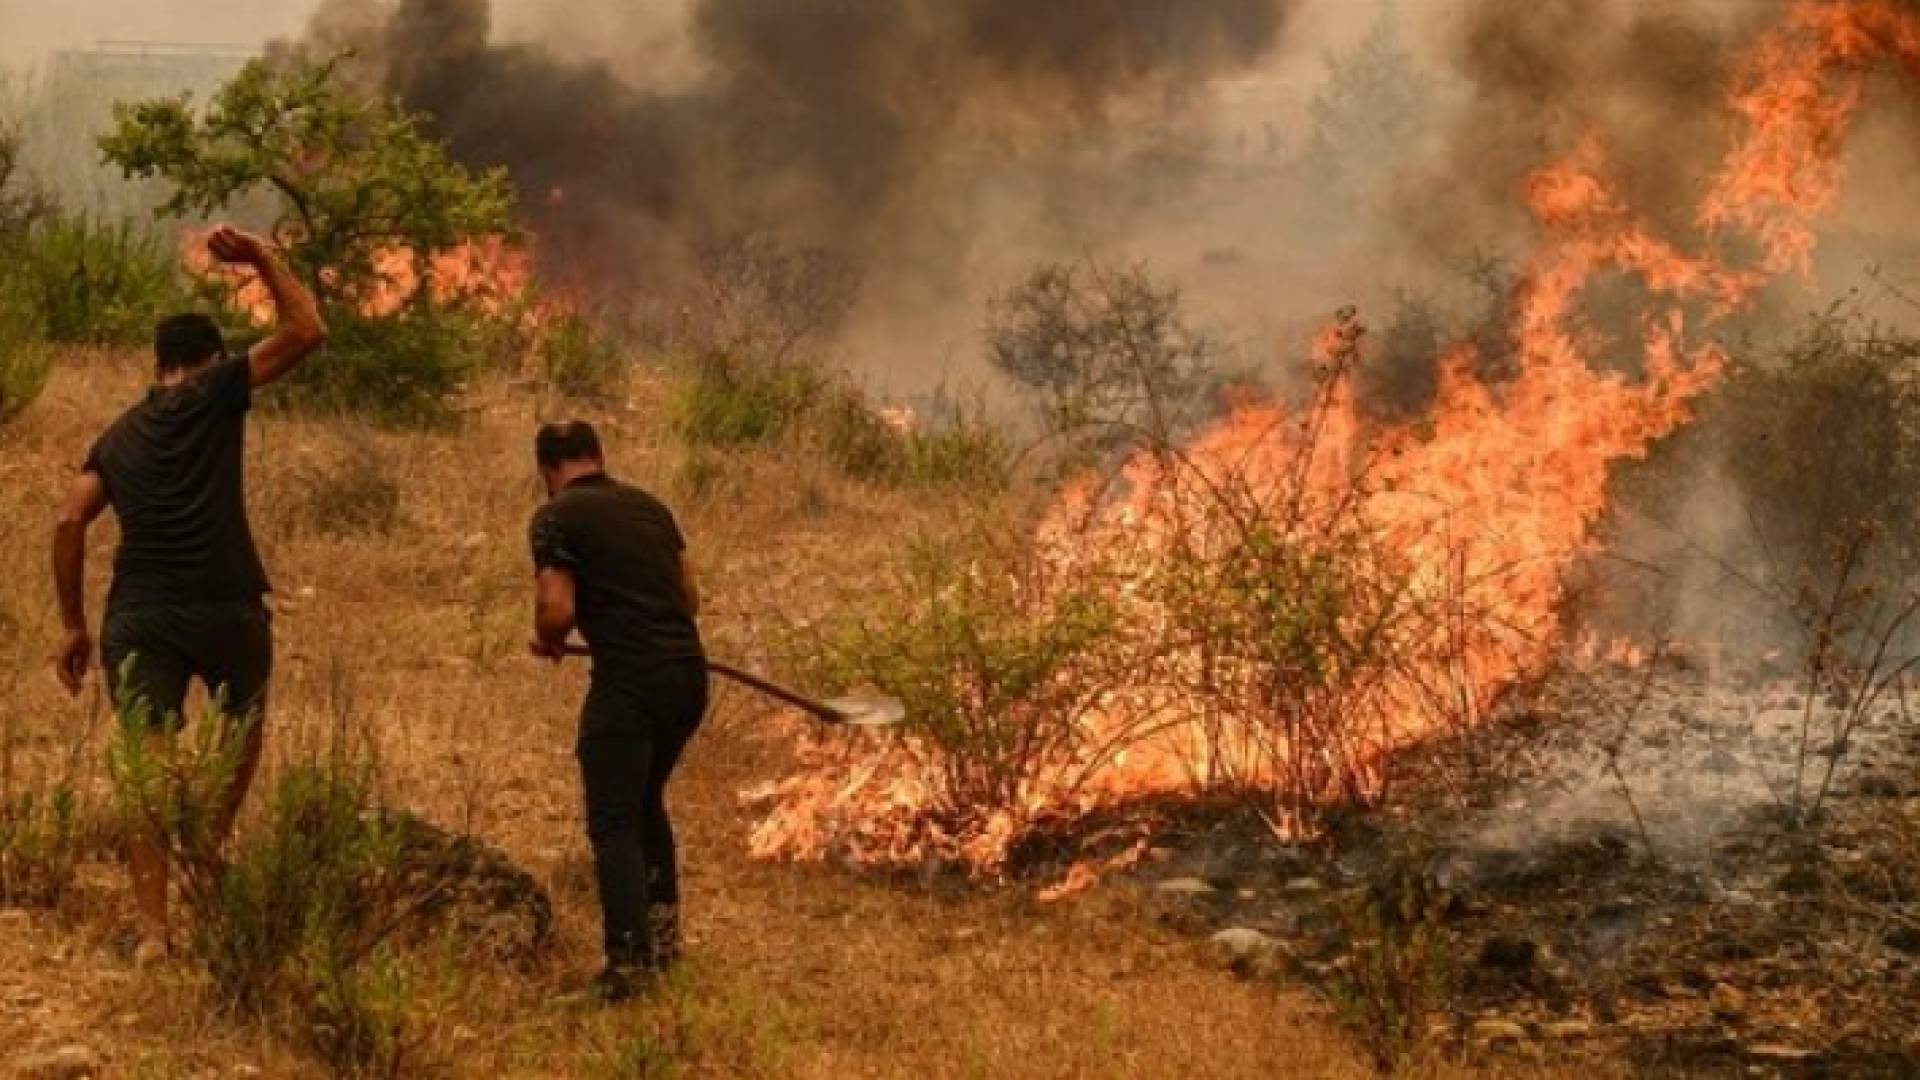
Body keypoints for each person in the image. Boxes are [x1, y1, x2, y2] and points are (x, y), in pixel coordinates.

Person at [50, 226, 328, 962]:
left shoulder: (118, 434)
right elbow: (307, 330)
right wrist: (265, 258)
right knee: (244, 725)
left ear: (157, 364)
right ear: (207, 361)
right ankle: (207, 848)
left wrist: (74, 626)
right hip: (225, 602)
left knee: (146, 763)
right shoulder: (216, 390)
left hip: (138, 615)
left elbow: (69, 519)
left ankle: (153, 932)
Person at [526, 420, 708, 1003]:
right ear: (599, 456)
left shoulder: (556, 517)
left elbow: (556, 609)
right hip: (687, 676)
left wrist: (550, 637)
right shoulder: (651, 507)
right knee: (645, 800)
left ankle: (629, 967)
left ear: (547, 472)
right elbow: (690, 598)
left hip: (630, 683)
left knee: (613, 821)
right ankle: (664, 940)